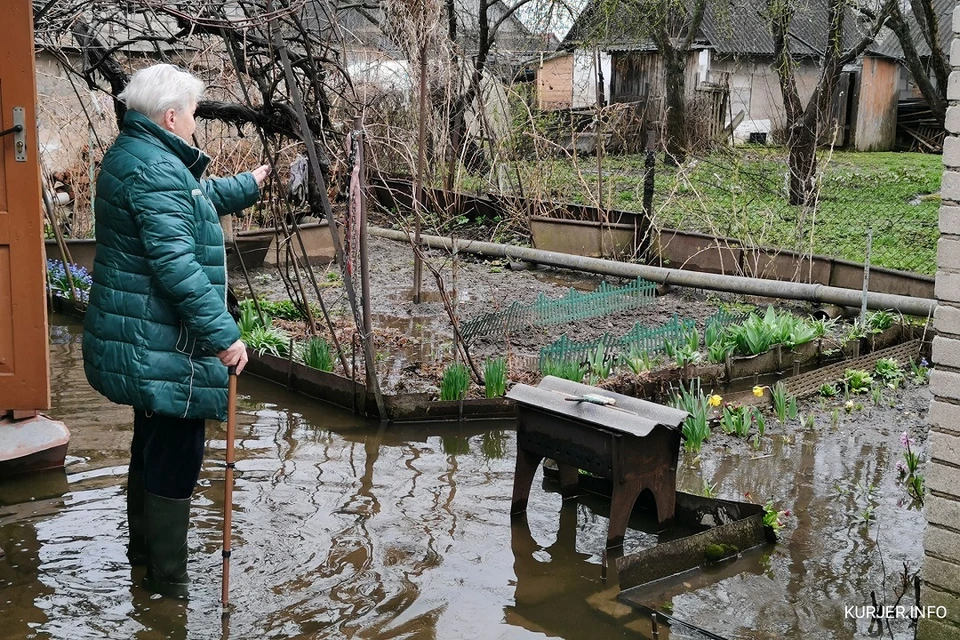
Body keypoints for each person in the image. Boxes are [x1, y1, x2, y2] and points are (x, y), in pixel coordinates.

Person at [82, 64, 270, 598]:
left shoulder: (134, 156)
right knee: (175, 454)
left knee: (151, 445)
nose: (195, 120)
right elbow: (176, 266)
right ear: (170, 116)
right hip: (164, 343)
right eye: (192, 111)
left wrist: (248, 186)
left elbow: (190, 204)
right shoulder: (158, 170)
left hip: (143, 341)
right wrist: (224, 336)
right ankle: (167, 589)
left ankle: (143, 561)